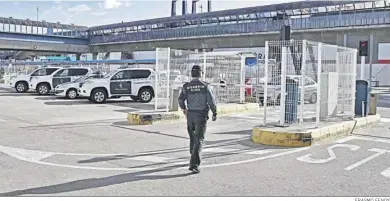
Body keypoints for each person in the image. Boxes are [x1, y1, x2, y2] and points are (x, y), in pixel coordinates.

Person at [178, 65, 217, 174]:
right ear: (200, 74)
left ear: (192, 74)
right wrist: (214, 112)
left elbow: (180, 100)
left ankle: (193, 154)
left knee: (192, 137)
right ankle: (194, 164)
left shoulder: (187, 86)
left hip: (190, 115)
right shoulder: (205, 86)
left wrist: (184, 109)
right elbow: (211, 101)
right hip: (201, 115)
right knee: (199, 138)